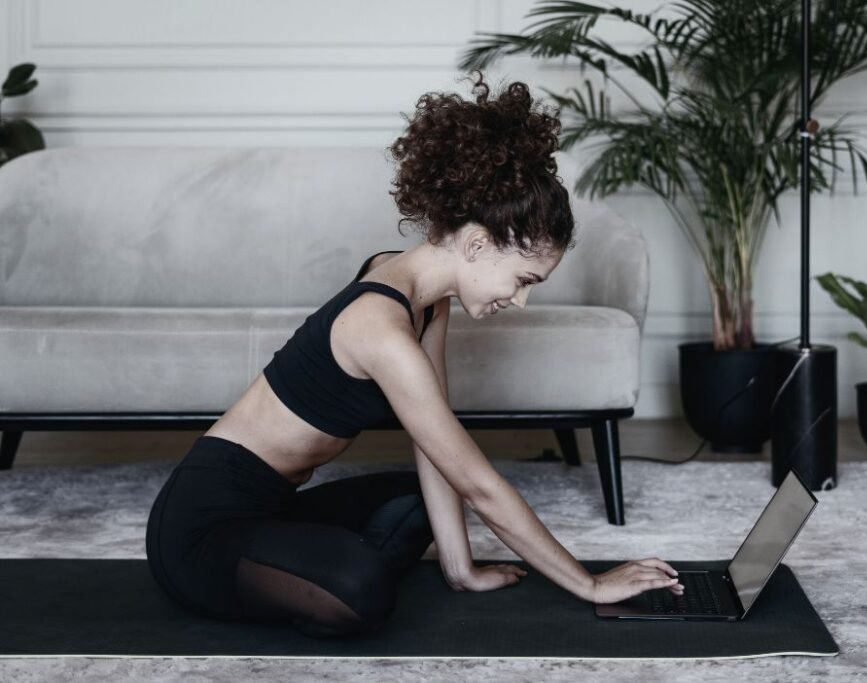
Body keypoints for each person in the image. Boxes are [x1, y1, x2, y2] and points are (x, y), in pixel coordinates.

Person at [145, 72, 682, 639]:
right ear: (476, 244)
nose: (520, 300)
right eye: (524, 279)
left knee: (419, 500)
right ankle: (302, 573)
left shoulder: (418, 293)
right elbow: (480, 485)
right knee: (362, 590)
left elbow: (436, 443)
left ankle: (301, 562)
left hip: (273, 507)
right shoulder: (378, 327)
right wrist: (589, 583)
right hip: (199, 529)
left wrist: (460, 569)